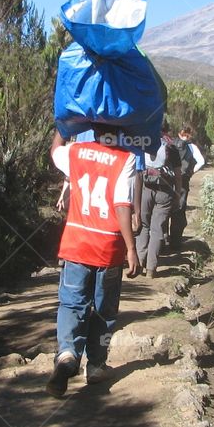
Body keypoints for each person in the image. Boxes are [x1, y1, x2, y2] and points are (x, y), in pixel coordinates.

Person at [46, 126, 140, 397]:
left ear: (94, 130)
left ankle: (66, 356)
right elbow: (122, 204)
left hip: (77, 243)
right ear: (121, 130)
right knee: (104, 308)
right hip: (108, 247)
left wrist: (63, 127)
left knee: (72, 303)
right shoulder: (126, 158)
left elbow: (54, 151)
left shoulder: (75, 152)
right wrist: (131, 248)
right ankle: (96, 365)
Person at [136, 122, 182, 279]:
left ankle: (139, 262)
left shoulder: (144, 142)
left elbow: (138, 169)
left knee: (143, 225)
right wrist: (177, 194)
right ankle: (151, 269)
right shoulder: (171, 147)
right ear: (167, 130)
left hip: (146, 188)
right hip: (165, 192)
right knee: (157, 229)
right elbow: (177, 174)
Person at [167, 126, 206, 248]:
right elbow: (201, 161)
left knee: (164, 208)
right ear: (190, 135)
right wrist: (191, 171)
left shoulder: (170, 143)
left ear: (179, 133)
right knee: (179, 208)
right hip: (183, 180)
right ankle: (175, 241)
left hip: (168, 179)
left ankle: (161, 240)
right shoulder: (191, 146)